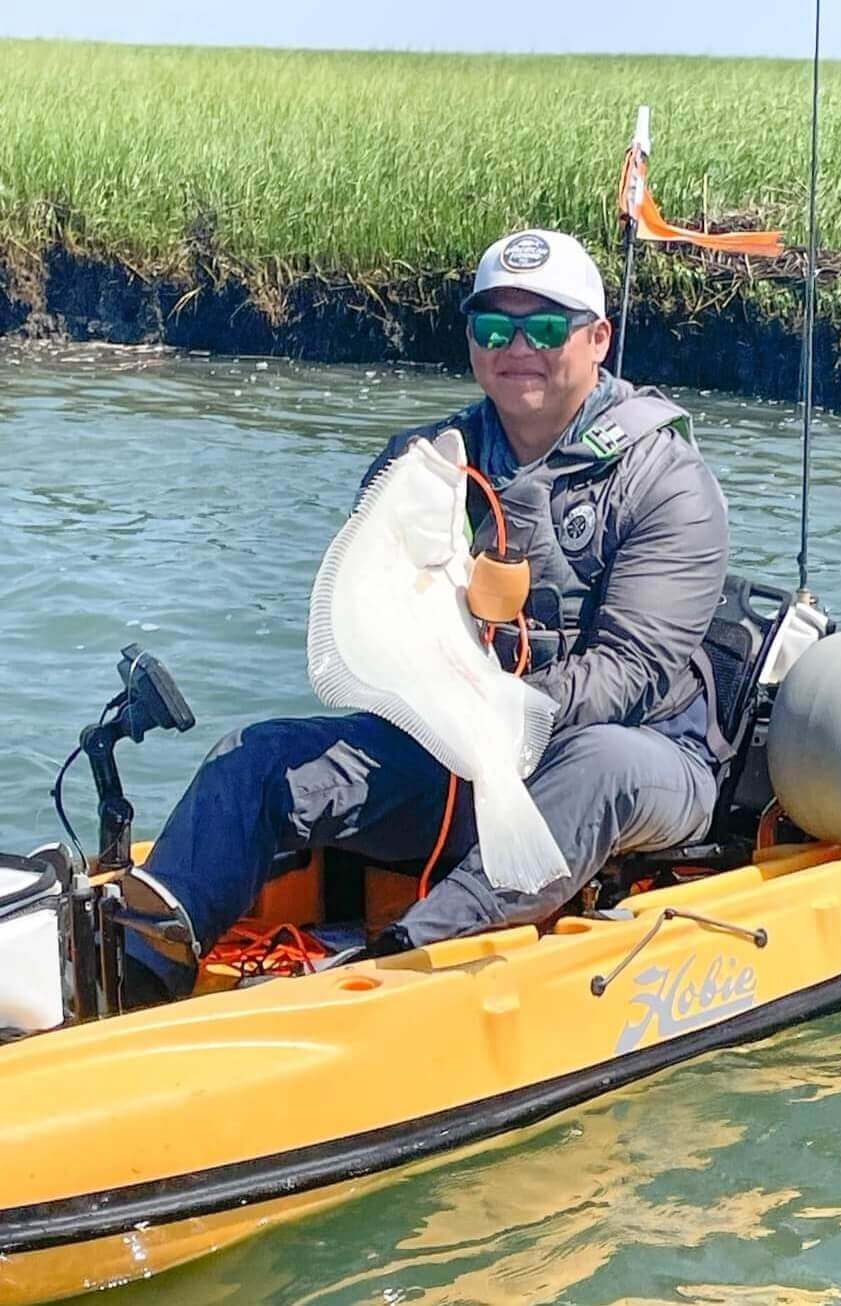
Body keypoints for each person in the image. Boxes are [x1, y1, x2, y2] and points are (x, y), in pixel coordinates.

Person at [123, 228, 729, 1003]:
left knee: (598, 765)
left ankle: (407, 961)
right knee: (257, 756)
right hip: (453, 745)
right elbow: (373, 620)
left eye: (545, 327)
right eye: (493, 327)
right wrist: (444, 703)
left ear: (598, 338)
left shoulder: (666, 480)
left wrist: (505, 711)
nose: (518, 346)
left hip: (648, 756)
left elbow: (633, 672)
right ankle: (142, 963)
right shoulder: (424, 464)